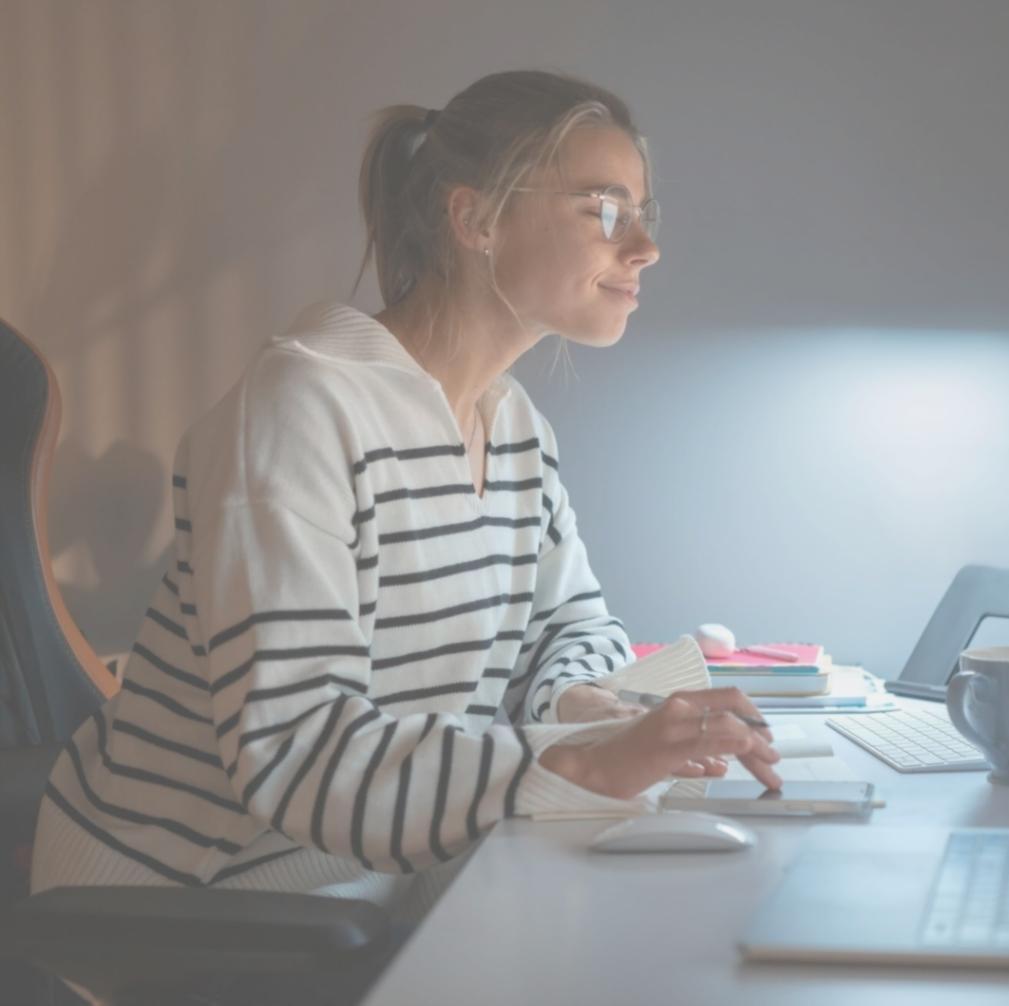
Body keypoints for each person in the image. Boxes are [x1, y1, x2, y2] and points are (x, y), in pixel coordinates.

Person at [30, 69, 781, 997]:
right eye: (602, 208)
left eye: (641, 210)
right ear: (476, 220)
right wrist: (580, 762)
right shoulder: (302, 412)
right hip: (200, 898)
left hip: (367, 868)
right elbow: (298, 752)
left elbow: (568, 625)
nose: (646, 246)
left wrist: (586, 707)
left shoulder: (509, 428)